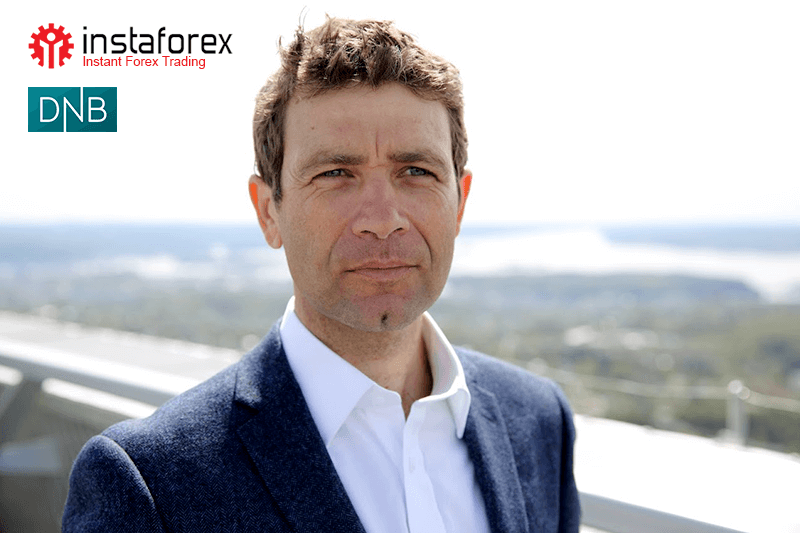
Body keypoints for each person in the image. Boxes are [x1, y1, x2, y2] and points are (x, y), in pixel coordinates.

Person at [62, 17, 580, 533]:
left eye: (416, 172)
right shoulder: (151, 485)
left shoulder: (538, 422)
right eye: (335, 174)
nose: (383, 220)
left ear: (459, 203)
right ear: (269, 211)